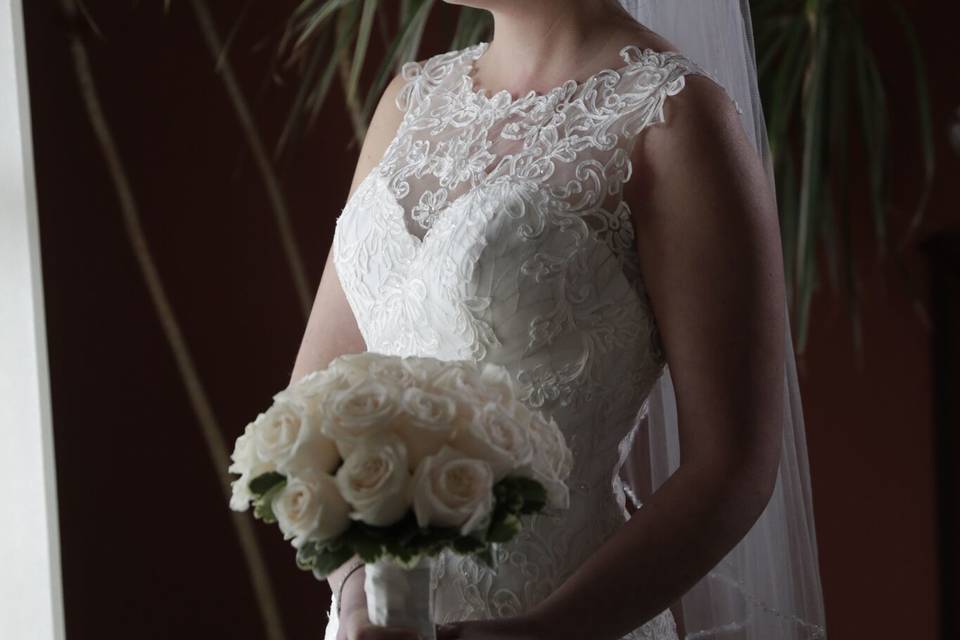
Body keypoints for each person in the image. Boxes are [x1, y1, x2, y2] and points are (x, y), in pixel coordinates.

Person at [288, 1, 826, 639]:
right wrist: (358, 592)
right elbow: (314, 406)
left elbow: (733, 466)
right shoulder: (411, 100)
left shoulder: (671, 119)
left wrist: (548, 630)